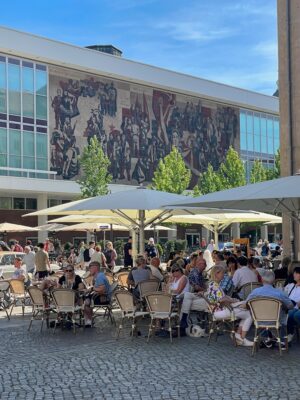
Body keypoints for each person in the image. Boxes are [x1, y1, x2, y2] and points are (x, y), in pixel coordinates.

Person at [207, 265, 253, 346]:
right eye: (222, 273)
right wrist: (233, 300)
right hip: (221, 311)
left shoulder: (213, 284)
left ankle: (239, 336)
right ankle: (241, 338)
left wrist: (231, 299)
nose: (224, 276)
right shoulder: (214, 285)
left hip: (219, 310)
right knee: (249, 314)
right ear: (217, 274)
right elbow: (221, 299)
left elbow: (222, 298)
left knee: (247, 313)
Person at [247, 268, 294, 349]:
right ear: (274, 280)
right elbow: (290, 306)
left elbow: (246, 304)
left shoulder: (255, 292)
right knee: (283, 313)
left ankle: (268, 339)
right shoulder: (279, 293)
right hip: (275, 321)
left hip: (258, 320)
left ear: (262, 279)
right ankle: (280, 340)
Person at [84, 261, 112, 327]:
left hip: (104, 298)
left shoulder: (99, 276)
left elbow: (102, 289)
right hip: (101, 297)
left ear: (95, 268)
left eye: (90, 267)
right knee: (85, 299)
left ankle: (88, 320)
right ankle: (88, 320)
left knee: (84, 300)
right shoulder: (99, 276)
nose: (89, 269)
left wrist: (92, 289)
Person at [285, 267, 300, 342]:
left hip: (296, 307)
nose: (294, 275)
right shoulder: (293, 286)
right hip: (289, 305)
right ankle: (270, 333)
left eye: (296, 273)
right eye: (294, 273)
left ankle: (290, 333)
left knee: (289, 314)